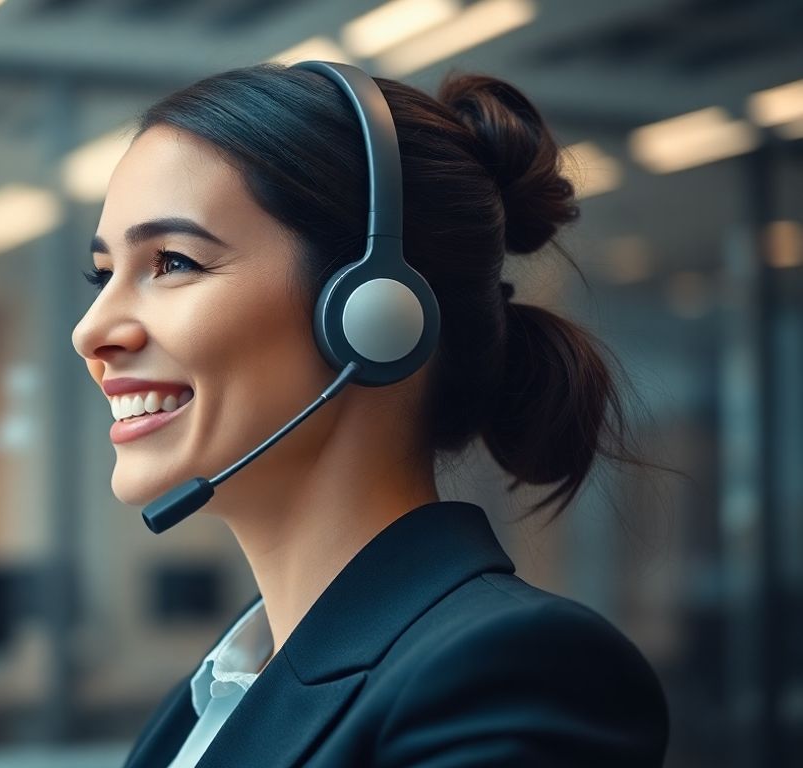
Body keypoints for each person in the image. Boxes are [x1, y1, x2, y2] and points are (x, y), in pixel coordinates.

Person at [71, 62, 669, 767]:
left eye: (172, 262)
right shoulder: (219, 692)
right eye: (104, 275)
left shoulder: (514, 675)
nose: (91, 331)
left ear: (372, 314)